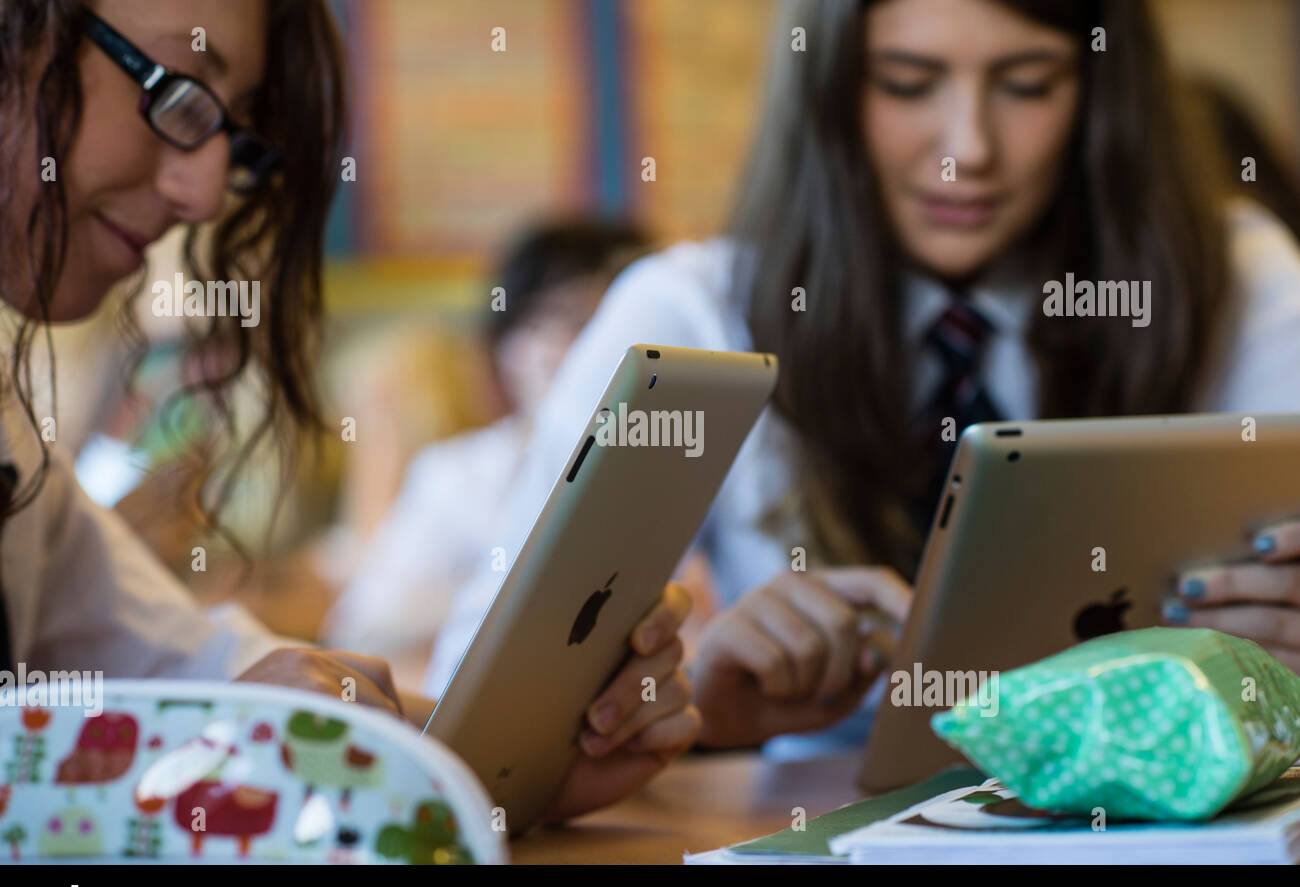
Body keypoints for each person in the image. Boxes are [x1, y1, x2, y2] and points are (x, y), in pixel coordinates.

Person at [428, 0, 1300, 749]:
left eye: (1028, 83)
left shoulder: (1234, 279)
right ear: (829, 92)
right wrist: (697, 701)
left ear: (1104, 93)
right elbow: (477, 696)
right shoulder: (696, 311)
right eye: (908, 83)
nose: (969, 149)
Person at [0, 0, 699, 824]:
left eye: (236, 141)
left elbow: (195, 665)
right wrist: (202, 748)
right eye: (179, 96)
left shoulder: (18, 445)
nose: (200, 194)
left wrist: (497, 759)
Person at [322, 219, 651, 677]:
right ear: (507, 347)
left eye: (613, 322)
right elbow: (364, 628)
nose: (594, 349)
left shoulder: (681, 467)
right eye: (564, 318)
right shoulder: (459, 475)